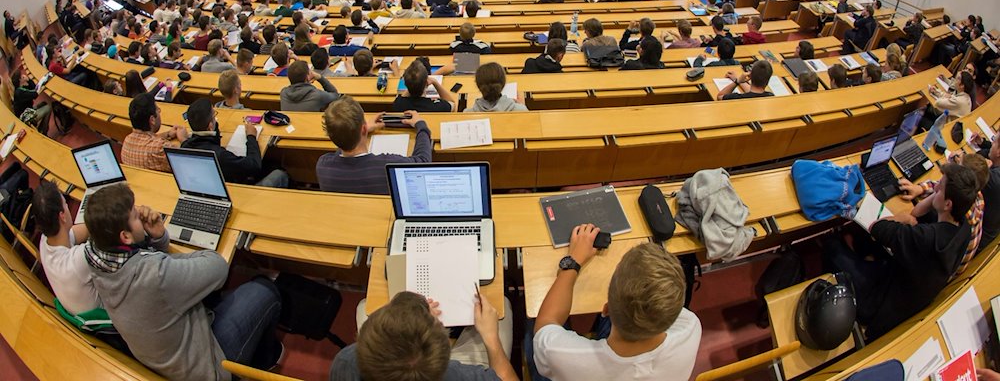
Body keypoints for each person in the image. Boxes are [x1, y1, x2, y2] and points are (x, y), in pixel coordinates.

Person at [84, 183, 283, 378]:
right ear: (125, 236)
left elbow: (153, 266)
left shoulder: (97, 257)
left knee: (210, 292)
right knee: (264, 289)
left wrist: (157, 237)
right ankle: (264, 361)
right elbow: (218, 267)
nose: (140, 211)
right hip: (207, 367)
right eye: (135, 215)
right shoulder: (155, 274)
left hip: (168, 357)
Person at [824, 163, 976, 341]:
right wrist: (918, 215)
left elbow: (878, 228)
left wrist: (903, 218)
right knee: (866, 241)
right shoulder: (964, 228)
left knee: (831, 246)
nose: (935, 188)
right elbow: (918, 214)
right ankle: (864, 256)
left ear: (948, 204)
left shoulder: (926, 238)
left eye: (939, 188)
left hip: (880, 302)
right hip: (904, 285)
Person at [530, 232, 701, 380]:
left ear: (606, 309)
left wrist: (573, 261)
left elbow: (546, 323)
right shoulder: (691, 327)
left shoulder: (558, 354)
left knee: (531, 321)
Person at [329, 291, 517, 381]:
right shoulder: (460, 376)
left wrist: (411, 315)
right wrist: (491, 338)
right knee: (503, 309)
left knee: (364, 306)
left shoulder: (346, 361)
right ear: (443, 359)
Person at [317, 97, 431, 194]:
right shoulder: (388, 166)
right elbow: (423, 161)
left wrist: (355, 131)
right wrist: (421, 125)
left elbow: (342, 141)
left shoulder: (323, 165)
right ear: (364, 128)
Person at [33, 181, 103, 321]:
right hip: (106, 314)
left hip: (82, 313)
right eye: (65, 204)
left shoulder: (45, 242)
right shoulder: (79, 260)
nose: (67, 207)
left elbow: (82, 230)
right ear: (62, 216)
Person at [181, 98, 289, 187]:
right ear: (210, 126)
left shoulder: (185, 146)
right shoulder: (220, 155)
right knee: (280, 174)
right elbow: (254, 166)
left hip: (211, 184)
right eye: (214, 115)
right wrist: (251, 136)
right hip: (236, 191)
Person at [121, 93, 188, 172]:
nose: (159, 111)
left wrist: (168, 134)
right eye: (157, 109)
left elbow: (146, 140)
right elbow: (189, 162)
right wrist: (184, 140)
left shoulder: (127, 140)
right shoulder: (161, 149)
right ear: (152, 120)